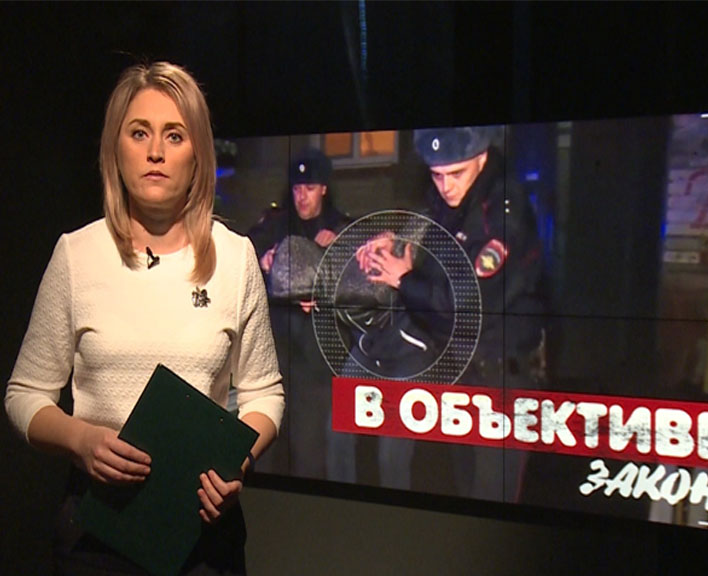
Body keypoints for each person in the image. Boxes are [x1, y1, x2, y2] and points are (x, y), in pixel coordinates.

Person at [4, 61, 285, 575]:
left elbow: (264, 393)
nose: (156, 151)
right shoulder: (76, 255)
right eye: (139, 133)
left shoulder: (236, 257)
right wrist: (81, 440)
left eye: (174, 135)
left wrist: (236, 463)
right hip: (98, 529)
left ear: (198, 154)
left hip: (202, 527)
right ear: (116, 148)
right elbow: (25, 394)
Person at [356, 126, 545, 499]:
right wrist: (401, 245)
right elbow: (438, 263)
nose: (446, 186)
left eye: (456, 173)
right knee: (463, 488)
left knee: (494, 497)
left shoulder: (502, 212)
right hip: (462, 371)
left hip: (501, 377)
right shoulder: (451, 202)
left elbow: (467, 304)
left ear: (482, 158)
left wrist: (403, 279)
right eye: (437, 175)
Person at [248, 148, 349, 478]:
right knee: (265, 445)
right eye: (296, 188)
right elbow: (246, 257)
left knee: (309, 451)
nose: (301, 196)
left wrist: (336, 248)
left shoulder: (340, 228)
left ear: (324, 189)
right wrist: (265, 262)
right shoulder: (275, 225)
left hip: (314, 362)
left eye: (309, 188)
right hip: (275, 353)